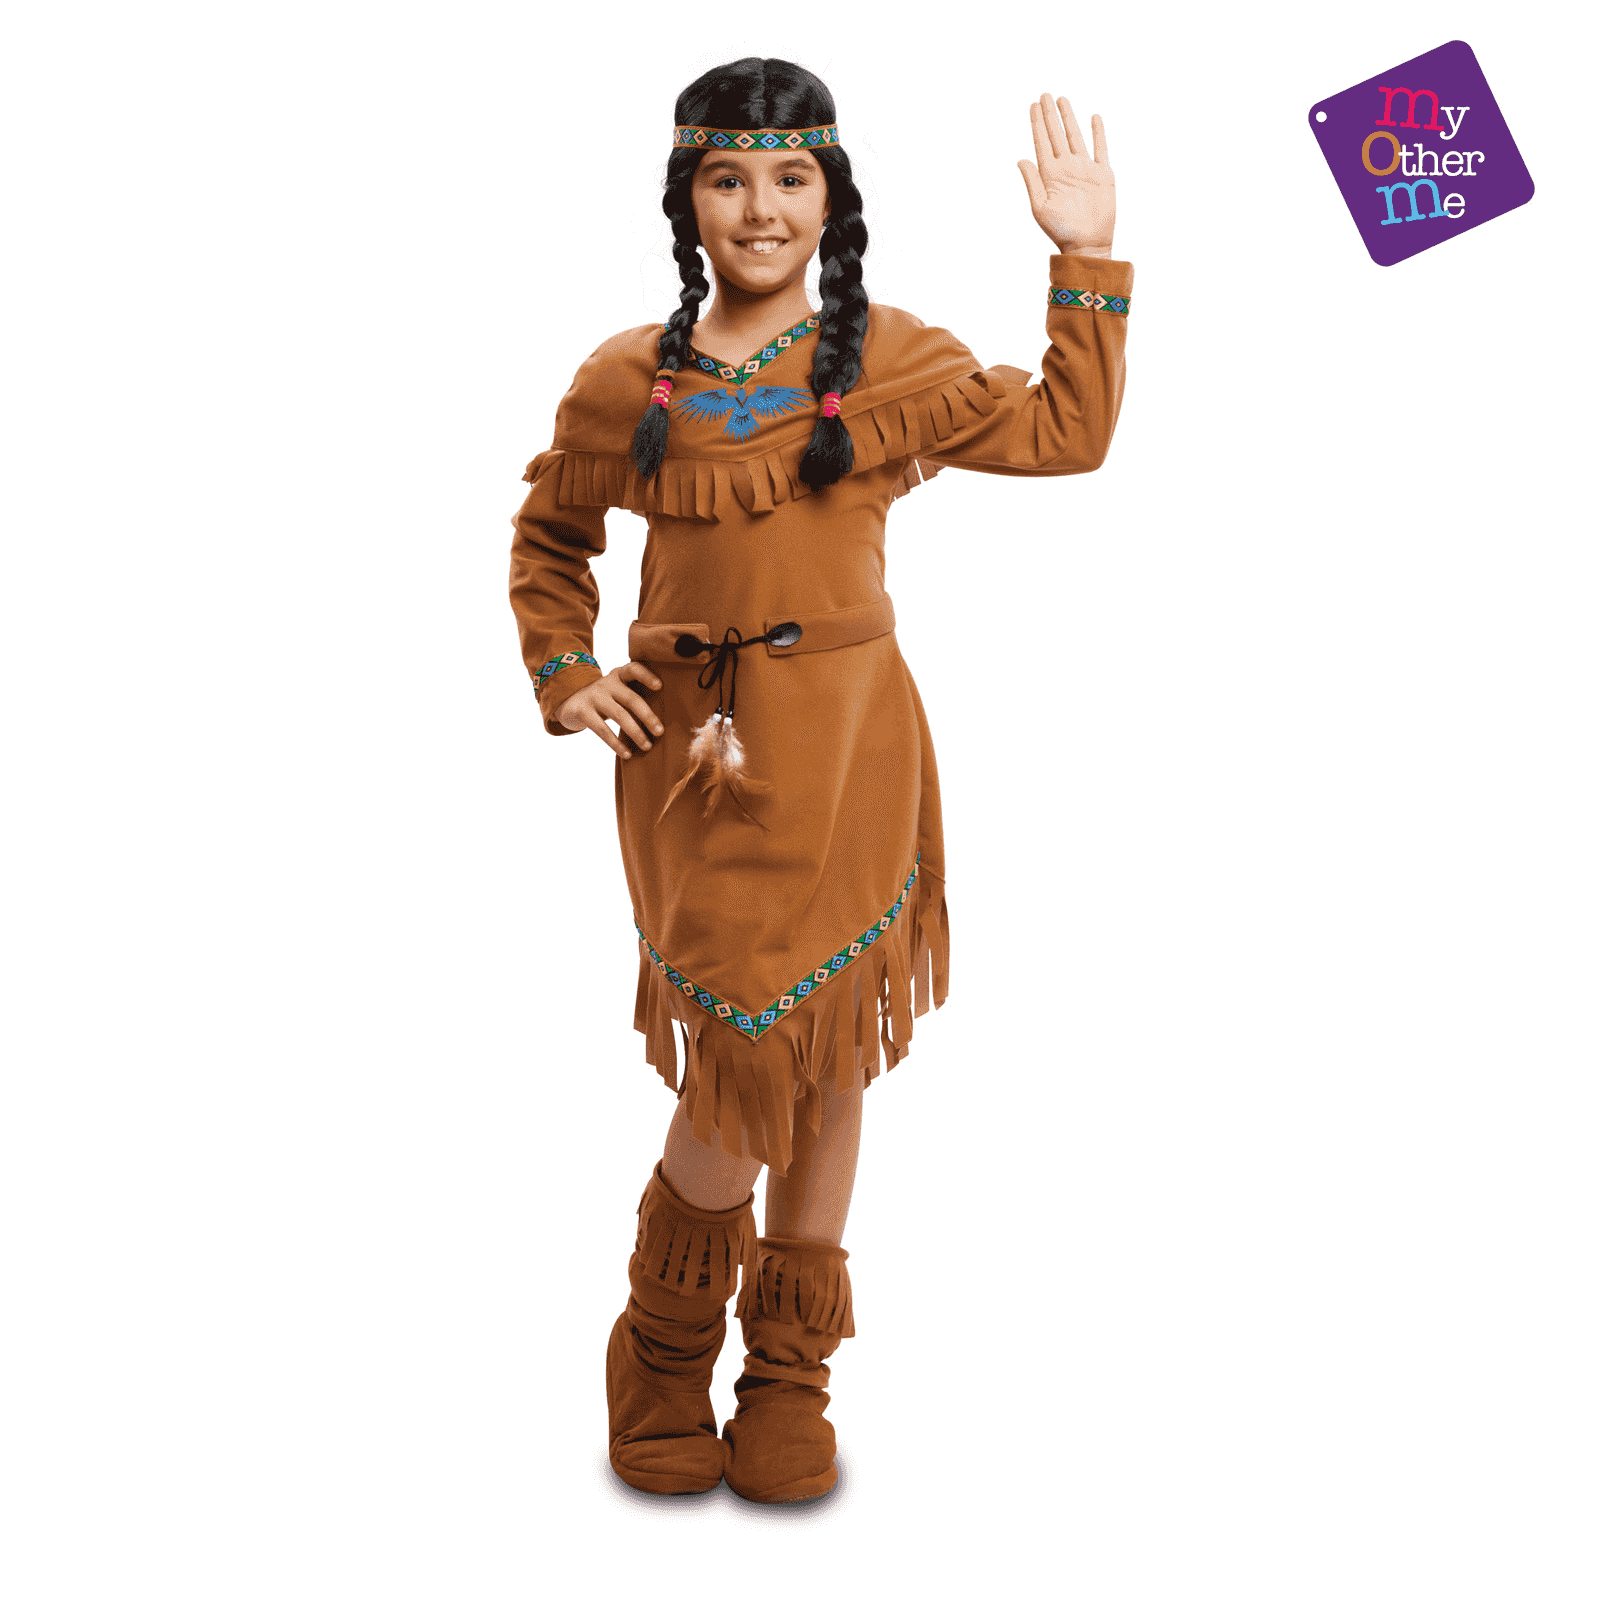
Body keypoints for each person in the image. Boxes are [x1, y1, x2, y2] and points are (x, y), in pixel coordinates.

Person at [509, 56, 1132, 1503]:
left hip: (851, 747)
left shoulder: (888, 359)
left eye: (791, 179)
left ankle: (790, 1375)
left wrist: (1086, 256)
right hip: (691, 766)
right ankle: (663, 1352)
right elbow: (550, 540)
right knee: (741, 1053)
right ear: (688, 200)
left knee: (834, 1050)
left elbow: (1068, 432)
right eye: (728, 178)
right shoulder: (626, 378)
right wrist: (566, 670)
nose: (760, 208)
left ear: (831, 198)